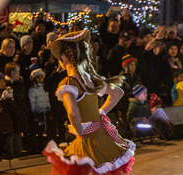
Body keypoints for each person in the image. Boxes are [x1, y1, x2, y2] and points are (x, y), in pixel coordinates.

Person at [41, 30, 134, 175]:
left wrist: (79, 130)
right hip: (103, 138)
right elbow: (118, 93)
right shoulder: (90, 79)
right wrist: (100, 112)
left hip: (87, 142)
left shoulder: (69, 83)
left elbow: (73, 112)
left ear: (64, 58)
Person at [4, 62, 30, 156]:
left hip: (18, 110)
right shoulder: (7, 84)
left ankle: (18, 151)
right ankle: (11, 152)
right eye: (15, 71)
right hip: (11, 111)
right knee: (11, 133)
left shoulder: (18, 83)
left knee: (18, 131)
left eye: (18, 71)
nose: (17, 73)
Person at [28, 69, 51, 152]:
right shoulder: (33, 90)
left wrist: (48, 110)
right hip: (37, 112)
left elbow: (47, 99)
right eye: (38, 78)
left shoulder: (44, 87)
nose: (41, 79)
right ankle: (35, 148)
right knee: (35, 131)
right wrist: (34, 115)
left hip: (44, 112)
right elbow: (32, 102)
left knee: (42, 131)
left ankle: (42, 147)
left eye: (42, 77)